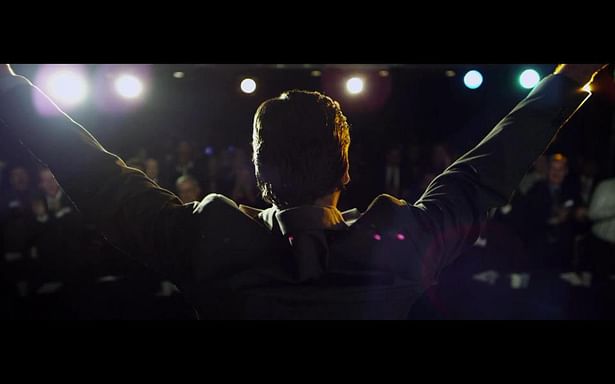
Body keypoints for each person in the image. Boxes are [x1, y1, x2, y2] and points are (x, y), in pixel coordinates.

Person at [0, 63, 605, 319]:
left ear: (259, 173)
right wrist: (570, 77)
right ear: (347, 173)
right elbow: (485, 169)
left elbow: (90, 170)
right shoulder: (402, 244)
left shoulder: (202, 242)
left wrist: (10, 89)